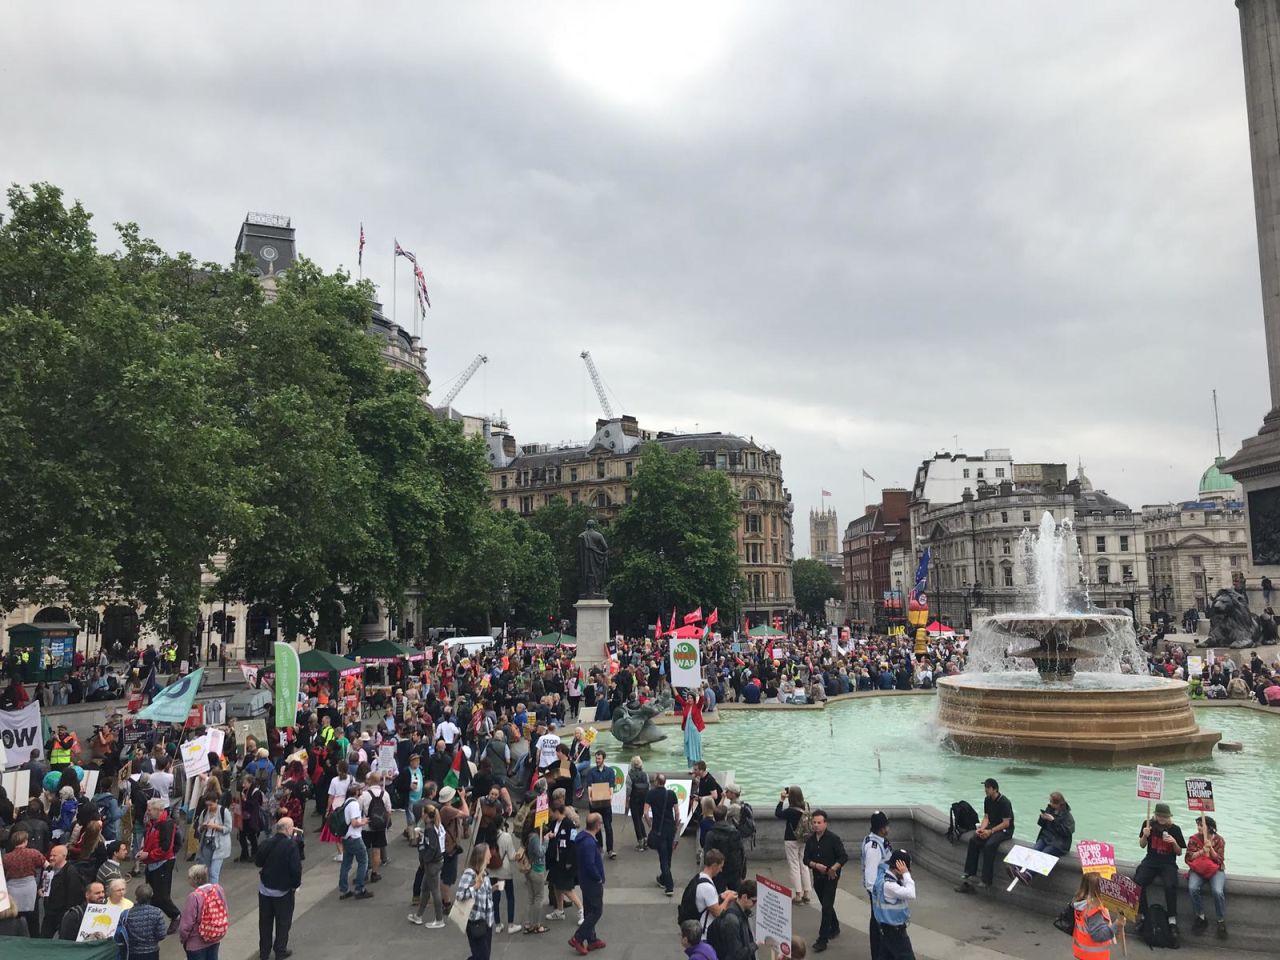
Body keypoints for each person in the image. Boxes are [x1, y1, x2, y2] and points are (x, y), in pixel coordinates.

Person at [1134, 801, 1185, 944]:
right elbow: (1142, 845)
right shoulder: (1148, 824)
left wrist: (1174, 842)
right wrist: (1145, 835)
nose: (1162, 819)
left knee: (1170, 885)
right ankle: (1143, 915)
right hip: (1151, 860)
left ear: (1169, 817)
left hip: (1168, 863)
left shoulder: (1175, 829)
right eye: (1159, 816)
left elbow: (1179, 852)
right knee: (1138, 882)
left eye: (1165, 816)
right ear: (1155, 815)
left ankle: (1172, 919)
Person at [256, 817, 303, 960]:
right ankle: (280, 951)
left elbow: (258, 862)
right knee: (283, 922)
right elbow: (296, 869)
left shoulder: (266, 843)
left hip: (265, 889)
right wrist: (295, 885)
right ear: (289, 829)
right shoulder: (291, 846)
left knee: (265, 923)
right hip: (283, 890)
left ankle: (264, 953)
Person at [956, 778, 1014, 894]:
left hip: (1004, 830)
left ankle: (986, 880)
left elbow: (1006, 823)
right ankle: (969, 871)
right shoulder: (987, 800)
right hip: (992, 826)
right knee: (974, 840)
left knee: (989, 845)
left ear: (995, 789)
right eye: (985, 788)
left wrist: (990, 831)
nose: (986, 790)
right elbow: (986, 817)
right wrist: (981, 829)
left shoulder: (1004, 802)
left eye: (988, 788)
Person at [801, 809, 847, 953]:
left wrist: (834, 868)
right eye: (814, 822)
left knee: (826, 907)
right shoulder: (810, 840)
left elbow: (843, 856)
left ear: (825, 823)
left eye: (819, 823)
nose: (816, 825)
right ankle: (835, 926)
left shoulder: (833, 839)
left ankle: (822, 939)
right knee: (826, 905)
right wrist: (815, 865)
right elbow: (805, 859)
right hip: (818, 878)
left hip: (830, 878)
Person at [1010, 791, 1074, 885]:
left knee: (1044, 854)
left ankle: (1028, 875)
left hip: (1059, 843)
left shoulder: (1068, 817)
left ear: (1058, 804)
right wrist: (1042, 818)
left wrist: (1053, 821)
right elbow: (1041, 824)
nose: (1050, 804)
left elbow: (1067, 832)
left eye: (1052, 802)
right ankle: (1018, 867)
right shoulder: (1049, 809)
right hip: (1046, 837)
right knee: (1034, 850)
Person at [139, 796, 182, 931]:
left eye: (150, 810)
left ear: (159, 810)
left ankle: (175, 915)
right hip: (152, 863)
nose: (148, 812)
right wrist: (144, 851)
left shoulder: (166, 824)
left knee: (161, 896)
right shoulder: (153, 823)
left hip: (162, 863)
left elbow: (165, 848)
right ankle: (153, 920)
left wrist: (149, 854)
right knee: (150, 894)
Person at [569, 811, 606, 955]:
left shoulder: (582, 838)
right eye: (601, 823)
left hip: (584, 880)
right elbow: (591, 864)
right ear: (597, 825)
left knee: (590, 910)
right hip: (592, 882)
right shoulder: (590, 843)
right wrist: (598, 877)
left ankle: (592, 939)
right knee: (596, 911)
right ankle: (578, 938)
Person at [1184, 815, 1227, 939]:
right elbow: (1188, 857)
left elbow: (1220, 860)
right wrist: (1202, 851)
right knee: (1192, 888)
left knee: (1218, 891)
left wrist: (1211, 850)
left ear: (1210, 827)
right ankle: (1200, 916)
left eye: (1202, 825)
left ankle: (1220, 920)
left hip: (1216, 869)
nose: (1199, 828)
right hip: (1199, 869)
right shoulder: (1193, 839)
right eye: (1198, 825)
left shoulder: (1219, 840)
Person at [872, 849, 917, 960]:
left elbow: (882, 866)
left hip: (885, 929)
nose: (908, 872)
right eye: (907, 869)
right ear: (898, 869)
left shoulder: (881, 877)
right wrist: (906, 874)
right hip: (895, 932)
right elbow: (911, 894)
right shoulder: (889, 885)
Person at [407, 803, 447, 929]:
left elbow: (433, 846)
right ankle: (419, 915)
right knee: (425, 888)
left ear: (425, 815)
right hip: (435, 861)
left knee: (435, 891)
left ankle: (439, 919)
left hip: (432, 863)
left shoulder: (429, 828)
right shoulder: (434, 826)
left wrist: (425, 859)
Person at [455, 843, 496, 960]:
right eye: (488, 854)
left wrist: (494, 888)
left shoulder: (485, 873)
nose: (491, 856)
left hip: (487, 921)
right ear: (482, 856)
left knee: (484, 956)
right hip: (475, 922)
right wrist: (475, 887)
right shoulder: (470, 873)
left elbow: (483, 895)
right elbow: (460, 895)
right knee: (482, 956)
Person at [178, 863, 226, 960]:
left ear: (196, 879)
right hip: (214, 937)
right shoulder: (218, 889)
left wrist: (183, 939)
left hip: (196, 942)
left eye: (189, 878)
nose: (188, 880)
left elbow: (186, 924)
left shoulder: (194, 897)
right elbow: (224, 909)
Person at [1071, 872, 1123, 959]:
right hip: (1094, 956)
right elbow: (1099, 936)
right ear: (1099, 888)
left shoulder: (1079, 902)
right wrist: (1116, 924)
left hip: (1081, 951)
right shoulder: (1093, 911)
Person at [643, 773, 680, 896]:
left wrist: (650, 825)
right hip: (670, 828)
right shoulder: (671, 794)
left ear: (656, 782)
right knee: (668, 855)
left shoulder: (651, 794)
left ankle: (669, 886)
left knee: (663, 857)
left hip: (658, 828)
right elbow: (677, 813)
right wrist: (675, 826)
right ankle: (664, 878)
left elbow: (646, 813)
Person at [861, 811, 891, 960]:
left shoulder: (878, 840)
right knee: (878, 925)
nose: (888, 828)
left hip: (880, 888)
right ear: (881, 828)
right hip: (877, 891)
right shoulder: (874, 847)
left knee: (879, 923)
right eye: (886, 825)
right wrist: (875, 894)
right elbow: (870, 874)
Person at [775, 785, 813, 904]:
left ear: (790, 797)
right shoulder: (806, 805)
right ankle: (807, 893)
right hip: (804, 839)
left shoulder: (791, 811)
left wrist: (781, 799)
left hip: (791, 839)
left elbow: (778, 813)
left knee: (794, 866)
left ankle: (798, 895)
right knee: (804, 865)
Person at [336, 781, 372, 900]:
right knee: (363, 860)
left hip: (346, 837)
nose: (361, 791)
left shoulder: (347, 802)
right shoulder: (354, 804)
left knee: (346, 864)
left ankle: (343, 889)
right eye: (360, 789)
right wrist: (364, 821)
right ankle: (359, 888)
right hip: (354, 837)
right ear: (356, 792)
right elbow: (355, 823)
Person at [41, 844, 85, 938]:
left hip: (62, 914)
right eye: (51, 855)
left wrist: (68, 914)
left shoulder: (71, 872)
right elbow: (44, 887)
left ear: (64, 856)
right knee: (44, 938)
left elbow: (74, 895)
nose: (51, 858)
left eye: (54, 856)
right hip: (49, 913)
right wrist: (40, 890)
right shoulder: (48, 870)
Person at [706, 878, 757, 960]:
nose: (755, 904)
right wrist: (754, 945)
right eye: (754, 901)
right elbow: (737, 954)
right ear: (744, 897)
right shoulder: (732, 921)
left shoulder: (741, 912)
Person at [117, 883, 168, 960]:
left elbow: (122, 936)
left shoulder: (127, 914)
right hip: (152, 952)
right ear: (151, 895)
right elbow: (162, 935)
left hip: (133, 953)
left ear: (136, 896)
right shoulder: (157, 912)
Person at [703, 806, 746, 894]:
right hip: (734, 869)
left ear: (714, 817)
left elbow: (707, 855)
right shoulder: (735, 832)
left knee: (718, 896)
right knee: (735, 896)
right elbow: (742, 853)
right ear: (726, 816)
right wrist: (743, 872)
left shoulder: (711, 834)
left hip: (718, 870)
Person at [357, 771, 390, 884]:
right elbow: (388, 811)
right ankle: (375, 873)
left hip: (366, 826)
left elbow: (358, 809)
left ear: (369, 781)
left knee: (365, 850)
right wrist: (386, 823)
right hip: (380, 826)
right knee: (377, 850)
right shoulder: (385, 794)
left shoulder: (364, 795)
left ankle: (364, 872)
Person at [584, 750, 617, 859]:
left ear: (603, 759)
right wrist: (590, 799)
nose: (597, 761)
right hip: (595, 803)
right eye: (596, 758)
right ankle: (599, 846)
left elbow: (611, 786)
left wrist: (611, 797)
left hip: (606, 803)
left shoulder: (610, 771)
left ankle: (610, 849)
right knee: (595, 826)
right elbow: (589, 787)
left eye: (599, 759)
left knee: (608, 826)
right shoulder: (591, 772)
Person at [195, 793, 232, 885]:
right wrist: (203, 827)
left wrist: (216, 826)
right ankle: (206, 890)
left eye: (211, 805)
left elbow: (228, 828)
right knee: (204, 870)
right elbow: (199, 829)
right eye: (207, 805)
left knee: (214, 873)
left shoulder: (224, 811)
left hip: (219, 844)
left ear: (216, 801)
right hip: (206, 842)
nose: (209, 807)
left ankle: (214, 893)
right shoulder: (204, 812)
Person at [674, 688, 707, 767]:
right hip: (687, 731)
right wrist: (673, 687)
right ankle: (692, 767)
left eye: (691, 698)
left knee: (695, 748)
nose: (689, 699)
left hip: (695, 731)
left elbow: (702, 699)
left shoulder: (697, 706)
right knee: (689, 748)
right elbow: (678, 697)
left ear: (694, 698)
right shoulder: (686, 705)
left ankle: (697, 767)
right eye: (688, 698)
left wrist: (701, 688)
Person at [624, 756, 650, 851]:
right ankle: (645, 838)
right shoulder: (645, 774)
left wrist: (627, 801)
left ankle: (640, 841)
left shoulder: (630, 775)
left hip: (634, 800)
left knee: (636, 820)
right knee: (639, 818)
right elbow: (649, 786)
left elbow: (628, 790)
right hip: (644, 799)